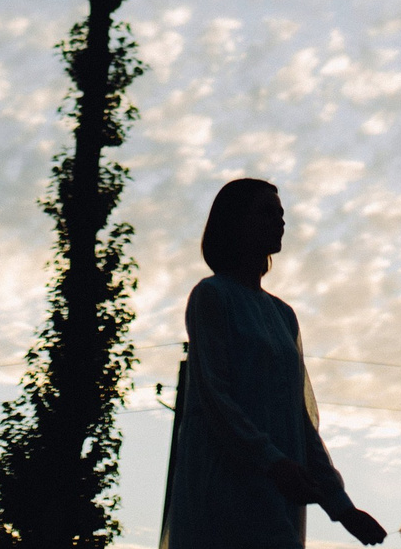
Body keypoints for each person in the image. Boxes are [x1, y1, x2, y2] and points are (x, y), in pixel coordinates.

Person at [162, 179, 388, 549]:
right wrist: (273, 462)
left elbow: (299, 420)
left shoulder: (284, 316)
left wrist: (342, 507)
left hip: (279, 497)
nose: (280, 221)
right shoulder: (212, 296)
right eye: (267, 212)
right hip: (223, 491)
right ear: (236, 221)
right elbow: (217, 400)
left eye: (282, 214)